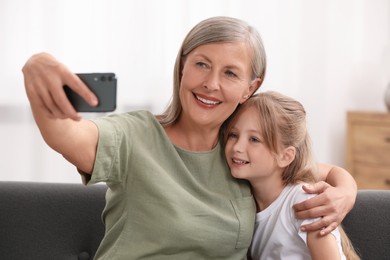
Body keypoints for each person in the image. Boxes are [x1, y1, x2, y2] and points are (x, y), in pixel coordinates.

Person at [22, 16, 357, 259]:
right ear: (182, 66)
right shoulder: (135, 135)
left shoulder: (240, 154)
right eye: (201, 64)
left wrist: (345, 192)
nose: (211, 83)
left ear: (250, 88)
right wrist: (37, 65)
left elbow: (314, 170)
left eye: (230, 73)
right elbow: (64, 134)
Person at [224, 91, 360, 260]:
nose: (237, 147)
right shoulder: (247, 202)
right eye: (233, 135)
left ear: (285, 156)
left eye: (254, 139)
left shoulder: (303, 201)